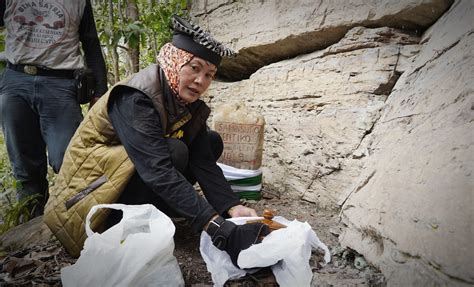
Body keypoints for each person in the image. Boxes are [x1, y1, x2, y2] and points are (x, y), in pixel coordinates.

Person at [44, 15, 270, 268]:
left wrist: (232, 207)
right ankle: (121, 222)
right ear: (174, 62)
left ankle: (158, 212)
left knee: (209, 141)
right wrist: (213, 224)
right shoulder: (135, 97)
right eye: (194, 68)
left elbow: (203, 161)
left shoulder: (187, 103)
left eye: (209, 74)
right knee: (173, 151)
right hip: (89, 196)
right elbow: (157, 169)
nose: (201, 81)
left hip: (124, 177)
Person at [0, 0, 107, 218]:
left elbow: (91, 43)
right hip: (16, 80)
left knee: (69, 159)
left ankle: (75, 220)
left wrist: (100, 92)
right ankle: (31, 223)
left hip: (61, 83)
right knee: (24, 164)